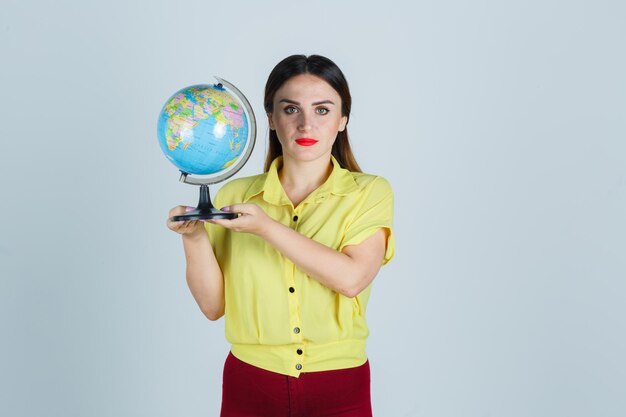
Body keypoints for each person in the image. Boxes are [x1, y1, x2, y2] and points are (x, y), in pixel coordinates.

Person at [167, 54, 395, 417]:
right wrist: (193, 239)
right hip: (250, 382)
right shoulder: (235, 196)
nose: (306, 124)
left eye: (322, 110)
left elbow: (352, 279)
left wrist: (267, 228)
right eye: (291, 110)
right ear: (271, 119)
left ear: (343, 120)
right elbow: (213, 307)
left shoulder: (369, 192)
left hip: (340, 385)